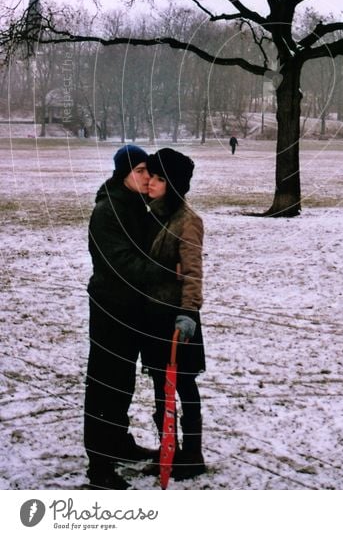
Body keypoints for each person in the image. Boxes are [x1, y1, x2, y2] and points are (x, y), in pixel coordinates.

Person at [84, 144, 157, 490]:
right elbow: (120, 262)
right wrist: (163, 271)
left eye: (148, 172)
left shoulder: (136, 206)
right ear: (123, 173)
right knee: (105, 383)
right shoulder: (109, 210)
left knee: (123, 381)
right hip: (110, 309)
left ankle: (117, 440)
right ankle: (99, 464)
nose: (146, 178)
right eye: (140, 171)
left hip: (131, 309)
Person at [142, 148, 206, 480]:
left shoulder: (187, 220)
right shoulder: (153, 214)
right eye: (150, 176)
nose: (150, 182)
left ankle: (192, 454)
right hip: (152, 317)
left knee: (183, 386)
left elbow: (193, 272)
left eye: (157, 178)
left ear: (173, 184)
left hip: (178, 319)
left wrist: (188, 314)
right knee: (158, 385)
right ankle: (169, 449)